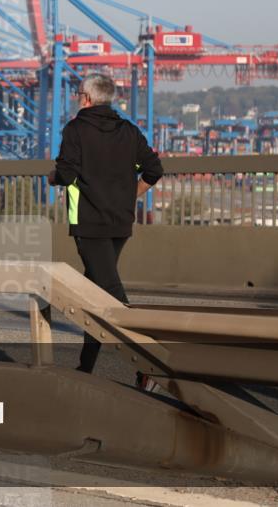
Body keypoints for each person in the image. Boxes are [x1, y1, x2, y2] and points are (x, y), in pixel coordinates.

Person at [47, 74, 163, 373]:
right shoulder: (128, 130)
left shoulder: (76, 130)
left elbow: (67, 174)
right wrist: (131, 196)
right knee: (92, 291)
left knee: (110, 291)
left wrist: (53, 177)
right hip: (120, 222)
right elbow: (154, 169)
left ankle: (154, 361)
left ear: (86, 97)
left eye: (77, 93)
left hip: (89, 223)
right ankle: (85, 366)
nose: (76, 97)